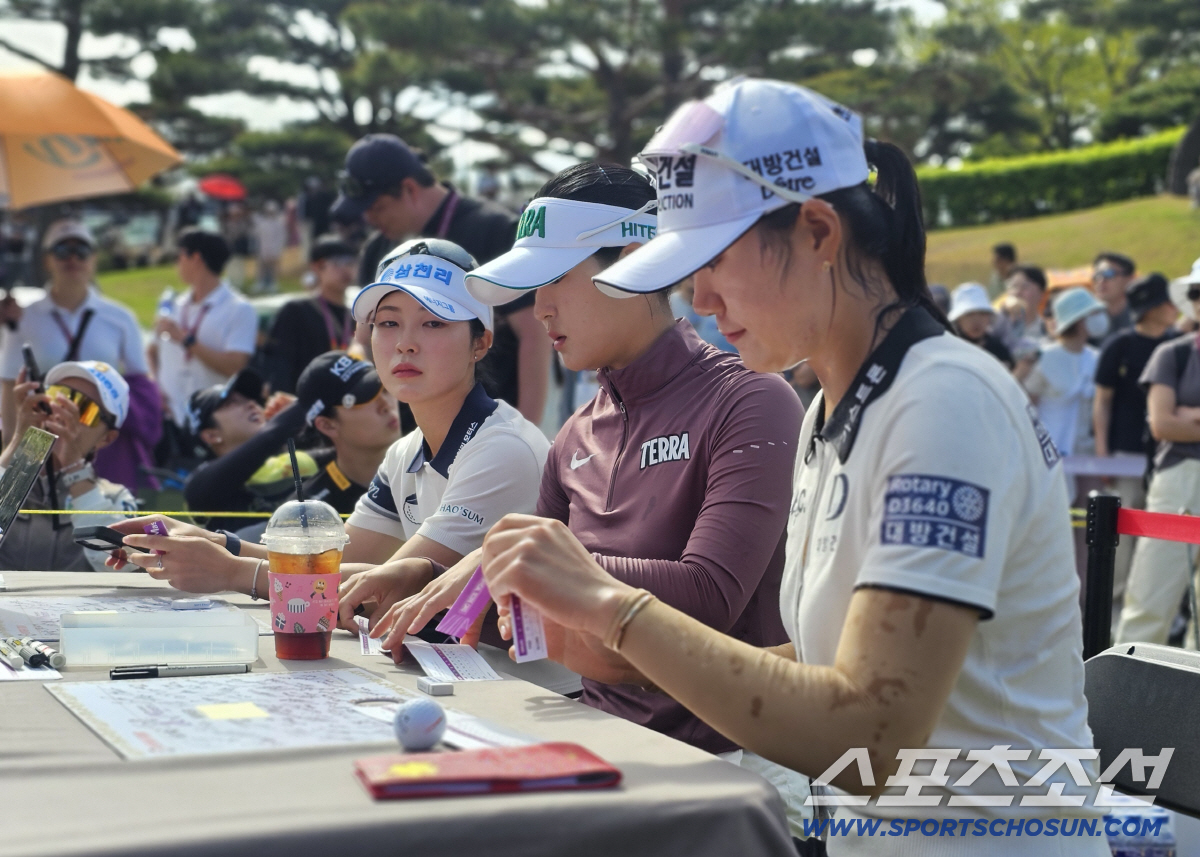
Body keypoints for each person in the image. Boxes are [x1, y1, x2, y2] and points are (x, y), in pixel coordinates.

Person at [469, 79, 1105, 854]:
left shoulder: (943, 401)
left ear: (817, 232)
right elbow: (813, 663)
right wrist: (617, 652)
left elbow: (873, 734)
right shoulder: (829, 411)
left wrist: (611, 606)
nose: (697, 295)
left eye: (716, 258)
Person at [340, 163, 812, 834]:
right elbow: (520, 610)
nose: (541, 310)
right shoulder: (575, 433)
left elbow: (711, 594)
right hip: (598, 752)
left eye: (555, 278)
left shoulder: (751, 399)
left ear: (635, 260)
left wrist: (531, 561)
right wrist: (447, 593)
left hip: (731, 768)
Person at [110, 240, 548, 612]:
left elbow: (389, 588)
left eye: (433, 322)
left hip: (533, 696)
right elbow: (335, 561)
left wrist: (229, 571)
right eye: (388, 322)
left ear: (481, 342)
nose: (405, 343)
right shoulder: (404, 452)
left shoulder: (501, 449)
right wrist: (208, 541)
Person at [331, 134, 550, 425]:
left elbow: (533, 336)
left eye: (376, 207)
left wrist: (527, 430)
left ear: (409, 189)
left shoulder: (494, 230)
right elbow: (362, 340)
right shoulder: (378, 248)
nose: (370, 219)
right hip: (410, 432)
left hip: (491, 427)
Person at [0, 220, 149, 447]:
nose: (73, 259)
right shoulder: (21, 317)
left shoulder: (120, 317)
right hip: (39, 432)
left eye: (82, 251)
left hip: (97, 438)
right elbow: (10, 383)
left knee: (93, 484)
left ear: (94, 259)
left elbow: (138, 382)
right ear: (47, 260)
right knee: (33, 483)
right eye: (62, 251)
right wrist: (11, 443)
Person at [1115, 275, 1200, 646]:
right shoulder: (1173, 353)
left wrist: (1190, 416)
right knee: (1150, 597)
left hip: (1181, 472)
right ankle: (1123, 695)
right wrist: (1175, 419)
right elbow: (1163, 424)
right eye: (1196, 294)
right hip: (1179, 476)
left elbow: (1172, 421)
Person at [1093, 273, 1179, 612]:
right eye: (1167, 301)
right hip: (1124, 454)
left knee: (1160, 539)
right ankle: (1113, 609)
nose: (1175, 307)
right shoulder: (1120, 345)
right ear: (1153, 308)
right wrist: (1102, 451)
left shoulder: (1177, 346)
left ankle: (1160, 609)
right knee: (1122, 538)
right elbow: (1102, 401)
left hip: (1168, 454)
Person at [0, 361, 137, 571]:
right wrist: (22, 441)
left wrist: (75, 469)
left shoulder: (115, 497)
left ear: (106, 439)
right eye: (58, 395)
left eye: (84, 409)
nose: (62, 413)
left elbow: (123, 566)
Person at [150, 229, 259, 448]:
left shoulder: (238, 309)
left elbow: (235, 365)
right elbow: (152, 351)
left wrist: (186, 340)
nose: (177, 264)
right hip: (168, 418)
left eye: (179, 256)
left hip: (211, 425)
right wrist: (154, 388)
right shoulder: (175, 305)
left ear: (196, 258)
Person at [288, 350, 401, 514]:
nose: (386, 404)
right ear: (328, 425)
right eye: (363, 398)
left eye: (383, 388)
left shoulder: (443, 463)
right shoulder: (308, 513)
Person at [265, 235, 358, 394]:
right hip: (302, 403)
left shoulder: (359, 316)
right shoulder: (296, 311)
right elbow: (280, 365)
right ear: (316, 267)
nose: (345, 269)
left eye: (350, 262)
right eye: (336, 263)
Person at [1023, 288, 1106, 462]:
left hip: (1085, 452)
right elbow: (1029, 406)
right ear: (1079, 320)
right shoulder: (1045, 357)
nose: (1099, 317)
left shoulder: (1096, 358)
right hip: (1049, 454)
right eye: (1093, 313)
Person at [947, 282, 1013, 369]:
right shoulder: (949, 349)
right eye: (969, 314)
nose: (976, 320)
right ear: (958, 319)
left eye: (982, 313)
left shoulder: (998, 349)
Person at [1091, 252, 1135, 345]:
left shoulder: (1142, 316)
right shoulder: (1087, 318)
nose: (1101, 280)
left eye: (1109, 273)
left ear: (1129, 279)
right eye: (1097, 274)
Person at [252, 200, 287, 294]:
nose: (270, 213)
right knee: (261, 268)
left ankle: (273, 284)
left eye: (272, 211)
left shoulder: (279, 223)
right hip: (263, 248)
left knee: (273, 268)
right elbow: (257, 235)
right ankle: (260, 283)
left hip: (274, 249)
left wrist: (277, 249)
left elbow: (281, 238)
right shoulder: (262, 223)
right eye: (269, 211)